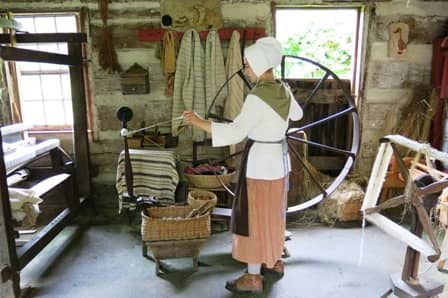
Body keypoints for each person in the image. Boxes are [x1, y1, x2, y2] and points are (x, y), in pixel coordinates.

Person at [182, 36, 303, 294]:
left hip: (260, 165)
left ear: (259, 65)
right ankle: (274, 261)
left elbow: (236, 132)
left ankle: (252, 277)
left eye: (248, 64)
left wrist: (200, 122)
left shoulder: (257, 97)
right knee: (273, 215)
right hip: (280, 164)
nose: (246, 69)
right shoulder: (283, 90)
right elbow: (298, 115)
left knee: (254, 219)